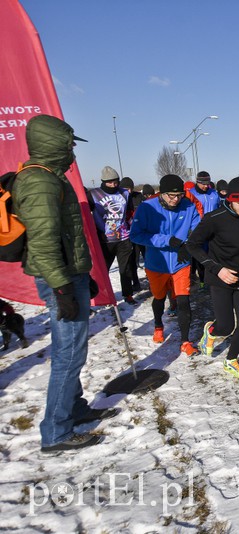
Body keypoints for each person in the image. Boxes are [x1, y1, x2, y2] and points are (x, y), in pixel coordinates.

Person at [13, 114, 116, 452]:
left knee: (72, 351)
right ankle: (56, 432)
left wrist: (82, 274)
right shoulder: (40, 183)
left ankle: (73, 409)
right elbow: (43, 245)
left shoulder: (52, 178)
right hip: (61, 280)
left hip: (70, 275)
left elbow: (66, 239)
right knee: (69, 355)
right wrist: (63, 288)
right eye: (70, 143)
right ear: (55, 143)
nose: (73, 149)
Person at [186, 177, 239, 379]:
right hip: (220, 278)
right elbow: (192, 245)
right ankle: (211, 332)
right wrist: (216, 268)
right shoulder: (215, 218)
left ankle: (231, 360)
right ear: (230, 200)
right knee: (226, 326)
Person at [130, 174, 201, 356]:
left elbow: (198, 229)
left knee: (183, 300)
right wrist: (167, 240)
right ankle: (158, 325)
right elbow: (136, 235)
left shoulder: (188, 206)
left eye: (179, 195)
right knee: (159, 297)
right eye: (171, 195)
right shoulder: (147, 208)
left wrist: (188, 244)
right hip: (157, 263)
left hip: (180, 262)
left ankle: (185, 341)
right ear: (161, 193)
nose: (175, 200)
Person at [89, 166, 136, 304]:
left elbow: (129, 212)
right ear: (103, 182)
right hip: (104, 240)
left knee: (126, 268)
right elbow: (85, 213)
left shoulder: (124, 193)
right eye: (110, 182)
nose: (113, 185)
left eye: (116, 182)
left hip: (123, 237)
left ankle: (128, 294)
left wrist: (131, 226)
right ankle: (99, 296)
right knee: (102, 270)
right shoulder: (94, 194)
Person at [120, 176, 145, 292]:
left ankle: (152, 277)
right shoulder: (119, 198)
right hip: (128, 234)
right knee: (132, 260)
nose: (128, 191)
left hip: (142, 231)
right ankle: (135, 282)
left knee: (147, 256)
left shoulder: (138, 197)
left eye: (130, 188)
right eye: (126, 188)